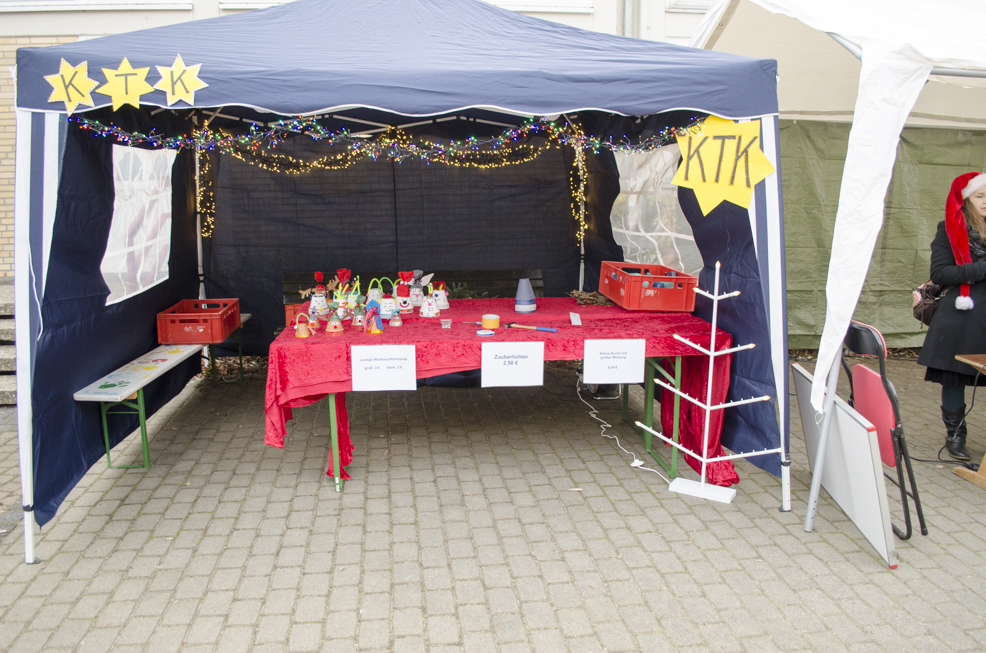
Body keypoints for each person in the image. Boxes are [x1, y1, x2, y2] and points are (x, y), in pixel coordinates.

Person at [918, 172, 986, 461]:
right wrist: (982, 269)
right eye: (980, 195)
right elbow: (940, 273)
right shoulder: (949, 229)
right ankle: (955, 437)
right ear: (967, 199)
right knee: (955, 377)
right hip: (961, 317)